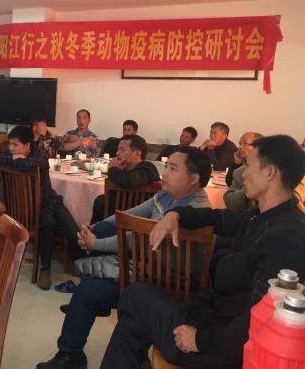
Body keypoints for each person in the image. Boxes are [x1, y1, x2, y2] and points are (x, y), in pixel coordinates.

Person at [100, 135, 305, 369]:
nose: (243, 174)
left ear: (269, 173)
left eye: (248, 166)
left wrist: (200, 340)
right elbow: (217, 218)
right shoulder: (263, 216)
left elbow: (262, 319)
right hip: (211, 318)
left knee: (135, 295)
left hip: (222, 348)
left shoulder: (287, 237)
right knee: (131, 323)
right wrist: (175, 214)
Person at [38, 147, 212, 369]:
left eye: (173, 168)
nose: (165, 173)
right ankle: (71, 355)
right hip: (146, 271)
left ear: (194, 179)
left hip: (169, 285)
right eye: (167, 167)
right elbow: (130, 215)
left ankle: (77, 354)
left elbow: (138, 238)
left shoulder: (196, 212)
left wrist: (96, 243)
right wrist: (94, 228)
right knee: (89, 281)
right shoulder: (167, 196)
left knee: (87, 291)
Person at [0, 125, 83, 290]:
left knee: (72, 230)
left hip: (50, 201)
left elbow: (33, 163)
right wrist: (15, 157)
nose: (11, 148)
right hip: (30, 207)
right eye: (10, 144)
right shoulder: (11, 154)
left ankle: (79, 264)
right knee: (49, 224)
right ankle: (45, 270)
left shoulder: (40, 155)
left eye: (15, 144)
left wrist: (16, 159)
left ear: (27, 145)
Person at [91, 135, 160, 224]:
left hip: (138, 222)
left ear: (137, 153)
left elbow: (129, 181)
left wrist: (112, 169)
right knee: (101, 201)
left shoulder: (148, 168)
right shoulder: (123, 170)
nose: (117, 153)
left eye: (122, 150)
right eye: (118, 149)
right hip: (114, 220)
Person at [223, 132, 264, 213]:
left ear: (259, 147)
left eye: (245, 144)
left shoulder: (266, 169)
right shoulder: (240, 170)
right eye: (240, 143)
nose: (240, 147)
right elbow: (229, 195)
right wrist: (236, 163)